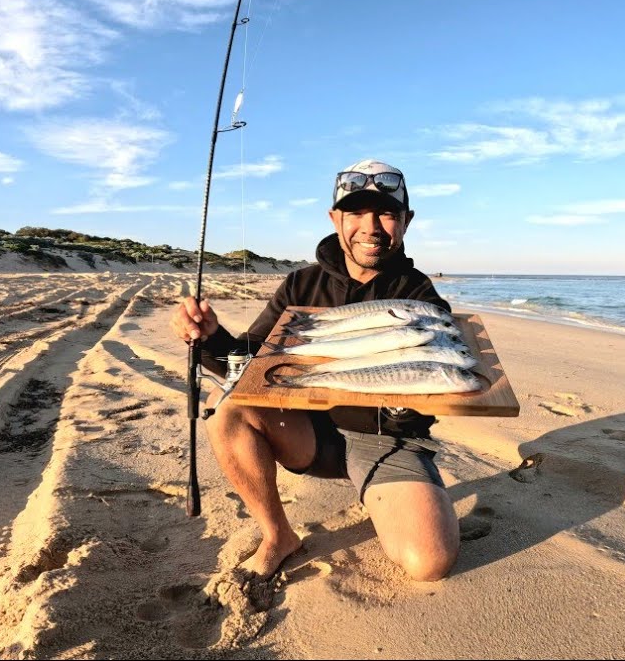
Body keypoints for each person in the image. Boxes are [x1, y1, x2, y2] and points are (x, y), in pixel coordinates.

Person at [172, 159, 459, 582]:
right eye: (356, 212)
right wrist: (210, 338)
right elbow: (251, 363)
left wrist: (402, 396)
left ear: (406, 221)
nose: (371, 227)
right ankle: (278, 536)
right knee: (227, 406)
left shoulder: (419, 299)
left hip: (384, 440)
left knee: (429, 563)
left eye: (386, 213)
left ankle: (392, 494)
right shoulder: (300, 285)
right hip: (305, 431)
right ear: (334, 218)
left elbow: (436, 384)